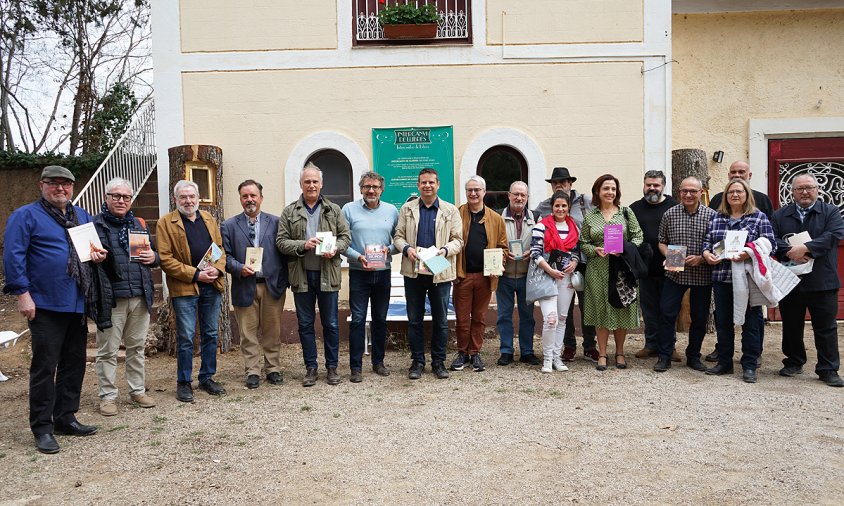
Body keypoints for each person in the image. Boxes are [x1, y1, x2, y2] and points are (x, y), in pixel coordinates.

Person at [3, 165, 105, 454]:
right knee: (45, 368)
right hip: (45, 303)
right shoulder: (25, 216)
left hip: (77, 302)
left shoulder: (81, 216)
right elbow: (13, 256)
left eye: (66, 184)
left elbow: (90, 253)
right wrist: (22, 294)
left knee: (74, 365)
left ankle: (65, 417)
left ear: (72, 188)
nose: (60, 189)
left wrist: (97, 257)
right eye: (53, 183)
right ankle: (42, 428)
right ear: (41, 185)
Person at [277, 163, 351, 387]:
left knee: (330, 323)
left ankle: (332, 367)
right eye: (307, 181)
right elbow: (281, 242)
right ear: (301, 184)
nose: (311, 185)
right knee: (305, 324)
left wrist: (335, 248)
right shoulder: (290, 211)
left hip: (328, 274)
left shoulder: (333, 210)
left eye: (315, 181)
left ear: (321, 184)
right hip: (301, 275)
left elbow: (346, 238)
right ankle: (311, 367)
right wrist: (303, 244)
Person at [770, 174, 844, 387]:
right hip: (791, 280)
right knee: (792, 325)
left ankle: (828, 369)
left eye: (809, 187)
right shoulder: (781, 214)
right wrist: (791, 251)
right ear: (792, 192)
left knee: (826, 327)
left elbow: (834, 235)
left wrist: (807, 249)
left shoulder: (830, 211)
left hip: (823, 280)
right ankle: (794, 361)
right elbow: (772, 238)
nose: (804, 192)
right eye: (799, 188)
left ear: (817, 190)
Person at [157, 180, 227, 402]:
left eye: (191, 196)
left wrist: (217, 269)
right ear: (176, 199)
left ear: (198, 198)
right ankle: (184, 382)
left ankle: (207, 377)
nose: (188, 201)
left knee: (210, 334)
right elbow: (166, 260)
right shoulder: (165, 223)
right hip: (185, 287)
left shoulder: (208, 219)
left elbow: (220, 249)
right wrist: (196, 274)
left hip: (211, 286)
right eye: (183, 197)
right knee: (186, 337)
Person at [93, 178, 158, 416]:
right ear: (106, 197)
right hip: (111, 298)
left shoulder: (139, 223)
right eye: (116, 196)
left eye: (126, 197)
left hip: (139, 295)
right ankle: (108, 397)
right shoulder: (95, 225)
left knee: (136, 347)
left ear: (131, 200)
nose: (121, 201)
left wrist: (155, 258)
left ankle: (137, 391)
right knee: (108, 351)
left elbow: (152, 255)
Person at [702, 178, 776, 383]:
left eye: (739, 192)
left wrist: (749, 253)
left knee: (751, 324)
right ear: (726, 196)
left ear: (747, 195)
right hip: (722, 278)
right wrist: (707, 254)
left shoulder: (758, 217)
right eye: (731, 192)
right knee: (723, 322)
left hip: (748, 279)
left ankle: (749, 365)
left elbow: (771, 244)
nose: (735, 195)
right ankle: (724, 362)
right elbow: (708, 243)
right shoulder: (718, 218)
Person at [393, 168, 463, 380]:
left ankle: (439, 362)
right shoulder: (407, 209)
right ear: (418, 185)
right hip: (413, 272)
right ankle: (417, 362)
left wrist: (444, 251)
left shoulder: (450, 210)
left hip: (439, 270)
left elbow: (458, 240)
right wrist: (407, 249)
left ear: (438, 184)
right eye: (423, 182)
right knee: (414, 319)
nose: (427, 186)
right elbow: (398, 236)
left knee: (441, 320)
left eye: (431, 182)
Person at [222, 179, 289, 389]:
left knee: (272, 331)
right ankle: (252, 371)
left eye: (253, 195)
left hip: (271, 285)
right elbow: (225, 256)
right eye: (245, 196)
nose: (249, 199)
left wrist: (284, 280)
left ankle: (273, 368)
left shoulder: (276, 222)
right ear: (240, 199)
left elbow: (284, 252)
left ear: (261, 197)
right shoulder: (229, 225)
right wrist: (238, 267)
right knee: (247, 333)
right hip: (245, 284)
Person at [652, 176, 716, 373]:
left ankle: (693, 356)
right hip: (674, 274)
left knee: (699, 317)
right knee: (666, 313)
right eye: (684, 191)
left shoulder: (712, 215)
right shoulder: (670, 214)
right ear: (679, 192)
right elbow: (661, 241)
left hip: (702, 275)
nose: (688, 194)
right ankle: (664, 356)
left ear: (701, 192)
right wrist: (670, 256)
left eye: (693, 191)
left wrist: (702, 258)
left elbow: (717, 246)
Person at [580, 174, 644, 371]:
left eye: (613, 189)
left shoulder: (625, 213)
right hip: (597, 270)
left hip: (622, 269)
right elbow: (583, 242)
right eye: (606, 188)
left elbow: (638, 235)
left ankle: (620, 352)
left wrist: (624, 248)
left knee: (621, 308)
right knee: (601, 310)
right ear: (597, 192)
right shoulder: (591, 216)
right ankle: (601, 353)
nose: (610, 192)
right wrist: (594, 250)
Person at [534, 166, 597, 363]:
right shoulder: (545, 206)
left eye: (563, 181)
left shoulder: (586, 202)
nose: (559, 185)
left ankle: (590, 346)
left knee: (588, 305)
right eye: (555, 182)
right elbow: (531, 221)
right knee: (565, 308)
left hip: (584, 261)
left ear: (571, 183)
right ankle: (568, 346)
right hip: (558, 266)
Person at [342, 171, 399, 382]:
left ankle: (378, 362)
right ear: (361, 189)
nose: (371, 190)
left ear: (382, 189)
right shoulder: (348, 209)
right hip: (358, 273)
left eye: (375, 187)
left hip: (383, 273)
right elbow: (342, 241)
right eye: (367, 187)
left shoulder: (392, 211)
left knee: (380, 319)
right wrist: (358, 257)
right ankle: (356, 367)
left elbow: (399, 239)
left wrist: (389, 250)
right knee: (357, 320)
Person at [450, 175, 508, 373]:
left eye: (477, 190)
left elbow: (503, 247)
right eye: (469, 190)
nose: (473, 194)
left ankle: (475, 353)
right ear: (465, 192)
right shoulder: (456, 214)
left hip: (485, 277)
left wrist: (499, 261)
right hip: (462, 275)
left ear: (484, 192)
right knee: (462, 317)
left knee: (479, 317)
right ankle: (462, 353)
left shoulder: (496, 219)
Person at [629, 170, 680, 361]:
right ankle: (651, 344)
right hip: (645, 269)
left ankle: (669, 346)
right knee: (649, 310)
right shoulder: (634, 209)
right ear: (644, 185)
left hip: (670, 268)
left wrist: (675, 264)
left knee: (669, 310)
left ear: (663, 186)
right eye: (649, 184)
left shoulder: (675, 206)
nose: (652, 188)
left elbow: (679, 235)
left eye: (656, 185)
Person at [530, 192, 580, 373]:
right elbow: (535, 253)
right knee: (550, 320)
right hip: (547, 277)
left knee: (562, 319)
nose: (560, 209)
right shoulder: (541, 227)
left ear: (568, 208)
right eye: (557, 206)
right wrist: (551, 270)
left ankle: (557, 358)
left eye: (564, 206)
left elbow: (576, 251)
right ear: (552, 207)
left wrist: (574, 262)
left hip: (566, 278)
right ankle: (547, 358)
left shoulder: (573, 226)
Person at [496, 181, 540, 366]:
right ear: (509, 195)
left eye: (523, 195)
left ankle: (527, 351)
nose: (519, 198)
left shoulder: (536, 218)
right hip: (504, 275)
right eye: (516, 194)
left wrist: (533, 252)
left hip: (526, 275)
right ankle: (506, 351)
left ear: (527, 197)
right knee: (504, 316)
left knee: (527, 316)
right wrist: (503, 253)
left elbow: (542, 243)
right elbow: (492, 242)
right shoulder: (498, 216)